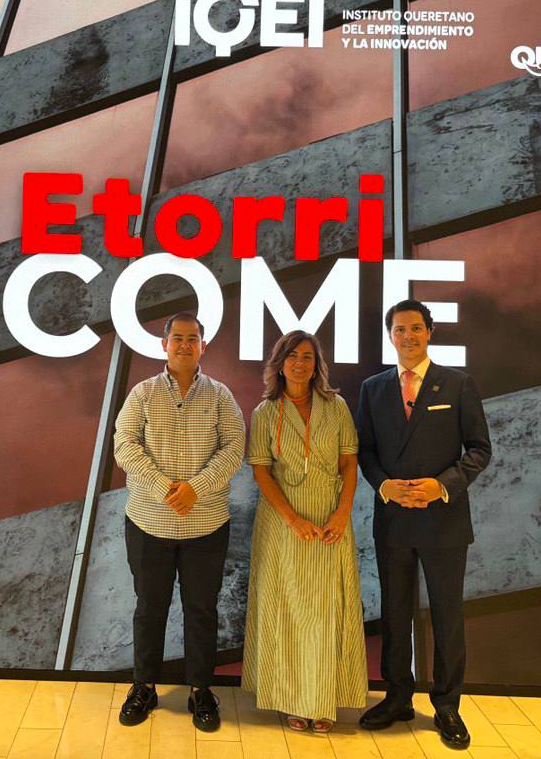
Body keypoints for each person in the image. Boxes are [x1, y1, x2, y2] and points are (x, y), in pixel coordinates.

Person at [356, 299, 491, 750]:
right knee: (395, 614)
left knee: (447, 616)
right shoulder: (373, 389)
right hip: (393, 520)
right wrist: (383, 485)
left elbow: (479, 449)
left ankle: (447, 705)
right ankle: (397, 697)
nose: (408, 336)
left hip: (444, 521)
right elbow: (365, 450)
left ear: (429, 331)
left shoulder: (457, 384)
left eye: (416, 328)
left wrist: (441, 485)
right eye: (399, 329)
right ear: (390, 335)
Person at [113, 311, 246, 732]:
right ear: (164, 345)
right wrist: (164, 489)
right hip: (148, 524)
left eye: (193, 339)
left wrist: (196, 489)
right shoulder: (143, 393)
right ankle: (144, 686)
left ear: (203, 346)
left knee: (202, 610)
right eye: (178, 338)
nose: (185, 345)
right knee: (149, 608)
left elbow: (234, 448)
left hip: (206, 526)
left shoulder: (220, 395)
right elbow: (124, 445)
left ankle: (201, 690)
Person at [242, 330, 368, 733]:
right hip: (282, 522)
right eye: (292, 356)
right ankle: (291, 699)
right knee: (289, 609)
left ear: (317, 365)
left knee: (327, 609)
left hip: (330, 518)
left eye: (308, 357)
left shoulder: (337, 406)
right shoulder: (265, 412)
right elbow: (262, 472)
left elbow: (349, 463)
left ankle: (323, 700)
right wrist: (293, 519)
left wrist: (342, 514)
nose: (300, 363)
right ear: (279, 364)